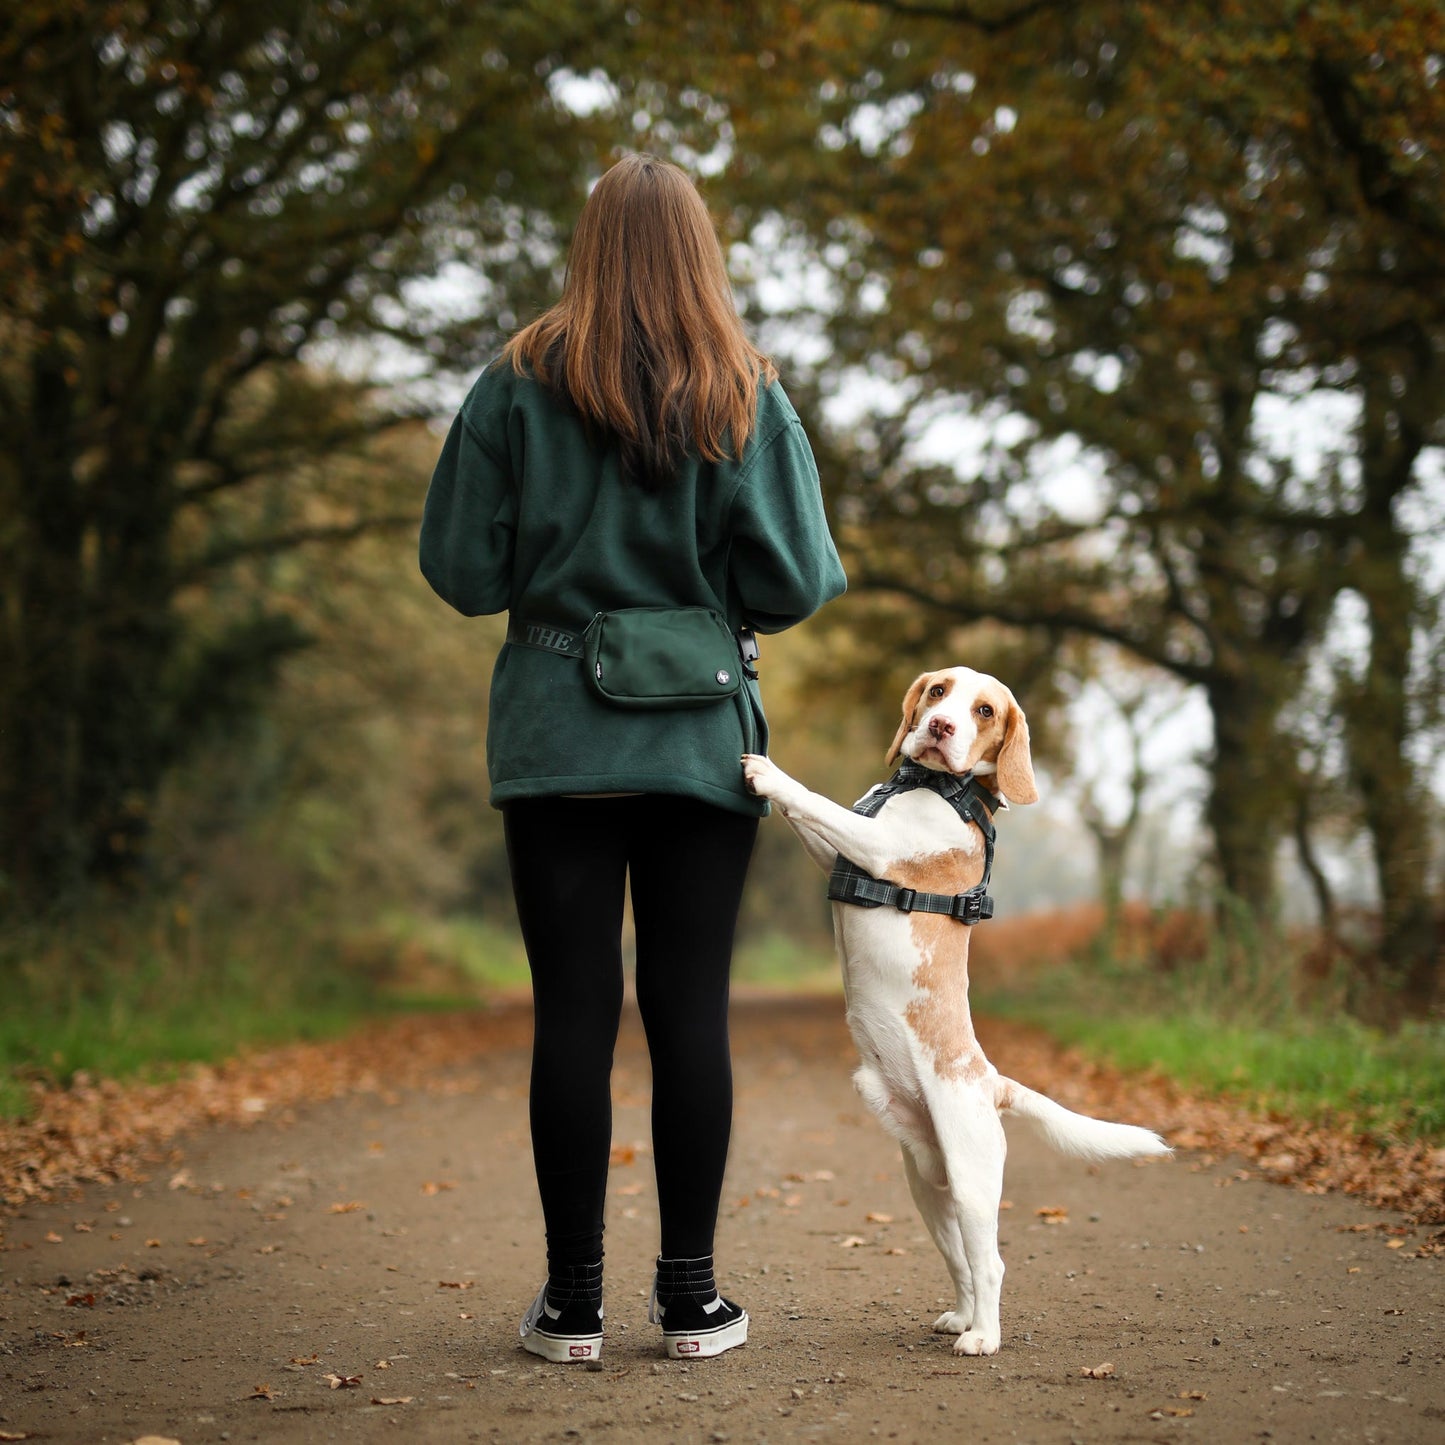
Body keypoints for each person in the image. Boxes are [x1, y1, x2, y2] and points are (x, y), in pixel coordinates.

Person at [419, 153, 846, 1364]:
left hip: (557, 736)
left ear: (588, 244)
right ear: (699, 250)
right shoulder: (743, 389)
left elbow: (461, 573)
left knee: (572, 1013)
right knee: (686, 1011)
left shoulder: (513, 385)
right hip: (699, 747)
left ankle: (569, 1305)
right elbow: (799, 581)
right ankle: (692, 1299)